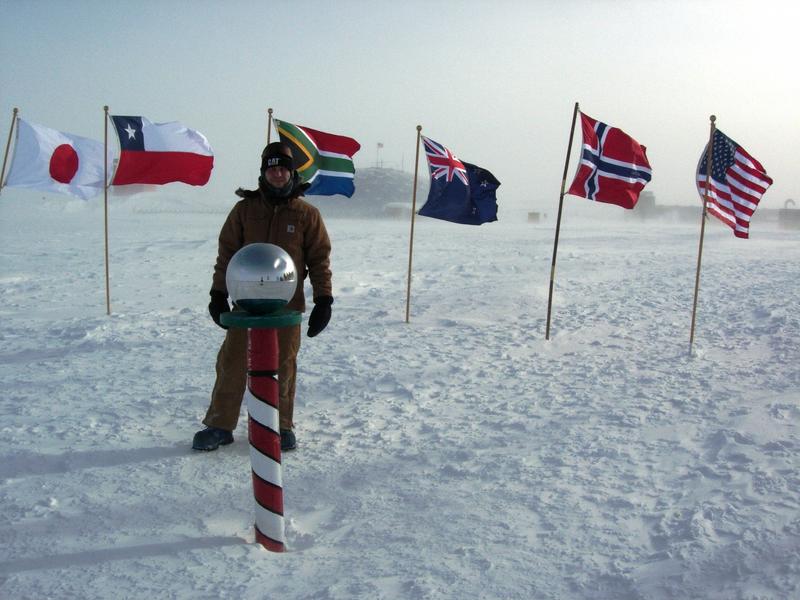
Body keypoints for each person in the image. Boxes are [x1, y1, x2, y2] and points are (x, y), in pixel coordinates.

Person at [193, 141, 333, 452]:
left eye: (283, 168)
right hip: (246, 306)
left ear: (291, 172)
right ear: (264, 173)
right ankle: (219, 424)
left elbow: (320, 260)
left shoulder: (307, 215)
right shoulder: (244, 211)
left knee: (283, 366)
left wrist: (325, 300)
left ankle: (280, 426)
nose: (278, 173)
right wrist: (218, 294)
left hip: (287, 307)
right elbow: (227, 255)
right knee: (231, 363)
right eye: (272, 168)